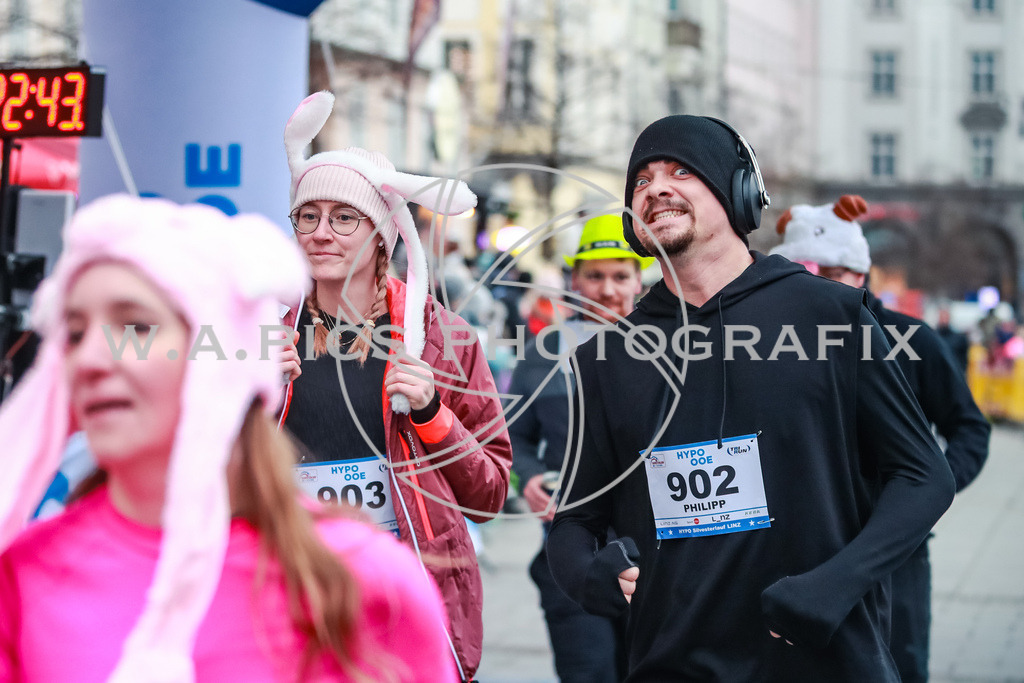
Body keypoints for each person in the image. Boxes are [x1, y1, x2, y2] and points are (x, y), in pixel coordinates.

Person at [545, 115, 956, 682]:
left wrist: (836, 585)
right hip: (672, 665)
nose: (657, 187)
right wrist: (589, 574)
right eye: (640, 180)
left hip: (826, 660)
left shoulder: (830, 317)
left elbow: (923, 476)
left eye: (681, 170)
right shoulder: (605, 360)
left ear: (738, 193)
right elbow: (572, 523)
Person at [0, 194, 457, 682]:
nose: (90, 358)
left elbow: (487, 477)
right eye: (72, 333)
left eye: (135, 325)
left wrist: (431, 413)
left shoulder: (366, 581)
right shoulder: (24, 574)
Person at [278, 91, 512, 682]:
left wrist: (433, 412)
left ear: (381, 234)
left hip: (408, 600)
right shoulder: (260, 334)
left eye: (343, 217)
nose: (321, 233)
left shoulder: (442, 338)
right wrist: (245, 397)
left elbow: (489, 497)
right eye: (308, 216)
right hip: (292, 598)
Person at [771, 194, 991, 683]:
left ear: (859, 274)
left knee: (898, 668)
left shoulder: (913, 342)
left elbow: (969, 427)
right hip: (799, 557)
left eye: (832, 272)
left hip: (894, 555)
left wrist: (920, 495)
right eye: (804, 271)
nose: (817, 285)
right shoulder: (764, 346)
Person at [508, 213, 653, 682]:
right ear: (574, 280)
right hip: (572, 556)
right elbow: (515, 436)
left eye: (619, 276)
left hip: (654, 558)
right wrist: (528, 477)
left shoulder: (667, 348)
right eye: (595, 276)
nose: (607, 289)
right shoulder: (545, 351)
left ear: (638, 280)